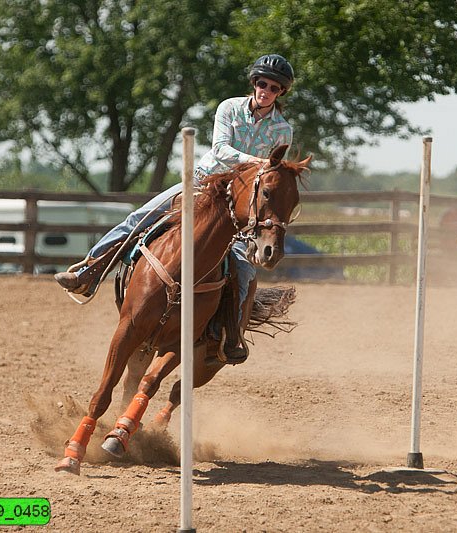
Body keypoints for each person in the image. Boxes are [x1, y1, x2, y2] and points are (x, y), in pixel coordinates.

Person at [54, 53, 295, 361]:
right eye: (262, 83)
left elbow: (273, 173)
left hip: (240, 204)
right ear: (254, 83)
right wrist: (258, 162)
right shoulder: (229, 108)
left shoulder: (282, 130)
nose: (266, 91)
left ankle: (231, 337)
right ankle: (88, 273)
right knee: (139, 218)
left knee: (244, 269)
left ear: (280, 93)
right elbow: (220, 149)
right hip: (204, 183)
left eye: (274, 88)